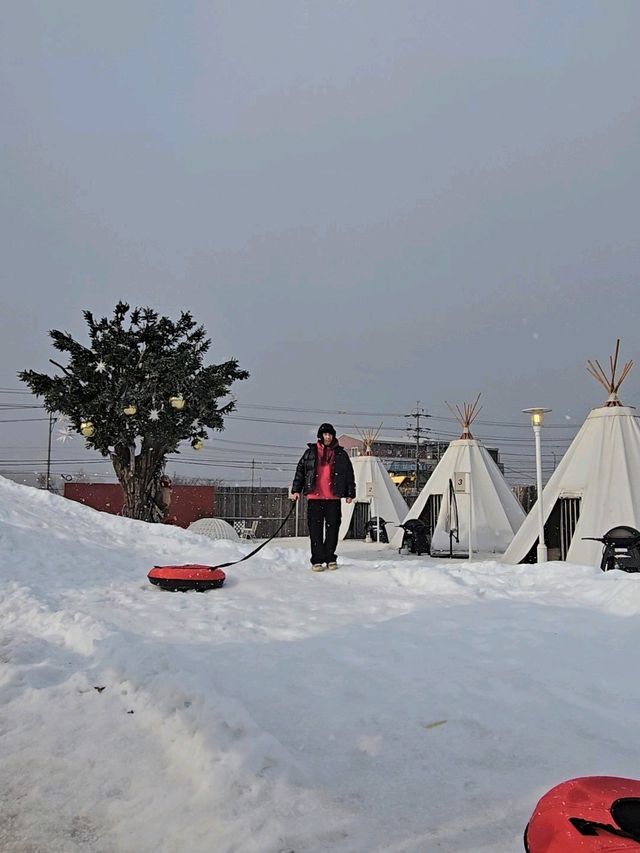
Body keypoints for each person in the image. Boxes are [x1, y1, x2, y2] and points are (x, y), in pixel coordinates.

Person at [291, 423, 356, 571]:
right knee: (315, 530)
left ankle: (330, 558)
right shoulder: (310, 453)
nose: (328, 437)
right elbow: (301, 471)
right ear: (320, 436)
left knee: (333, 529)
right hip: (315, 497)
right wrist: (296, 490)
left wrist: (350, 492)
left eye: (330, 434)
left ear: (333, 436)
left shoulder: (341, 454)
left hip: (333, 498)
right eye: (325, 434)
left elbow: (349, 474)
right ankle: (317, 560)